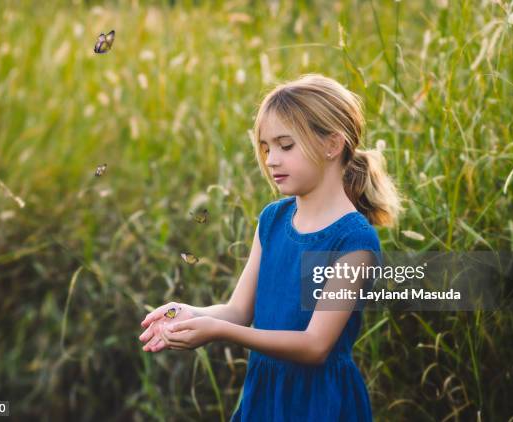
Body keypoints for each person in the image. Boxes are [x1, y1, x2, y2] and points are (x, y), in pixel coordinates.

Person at [139, 73, 404, 421]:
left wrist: (219, 331)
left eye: (286, 145)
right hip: (264, 395)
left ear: (332, 144)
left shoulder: (353, 240)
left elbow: (315, 346)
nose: (271, 160)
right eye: (266, 148)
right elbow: (238, 311)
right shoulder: (273, 220)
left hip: (318, 403)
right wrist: (191, 313)